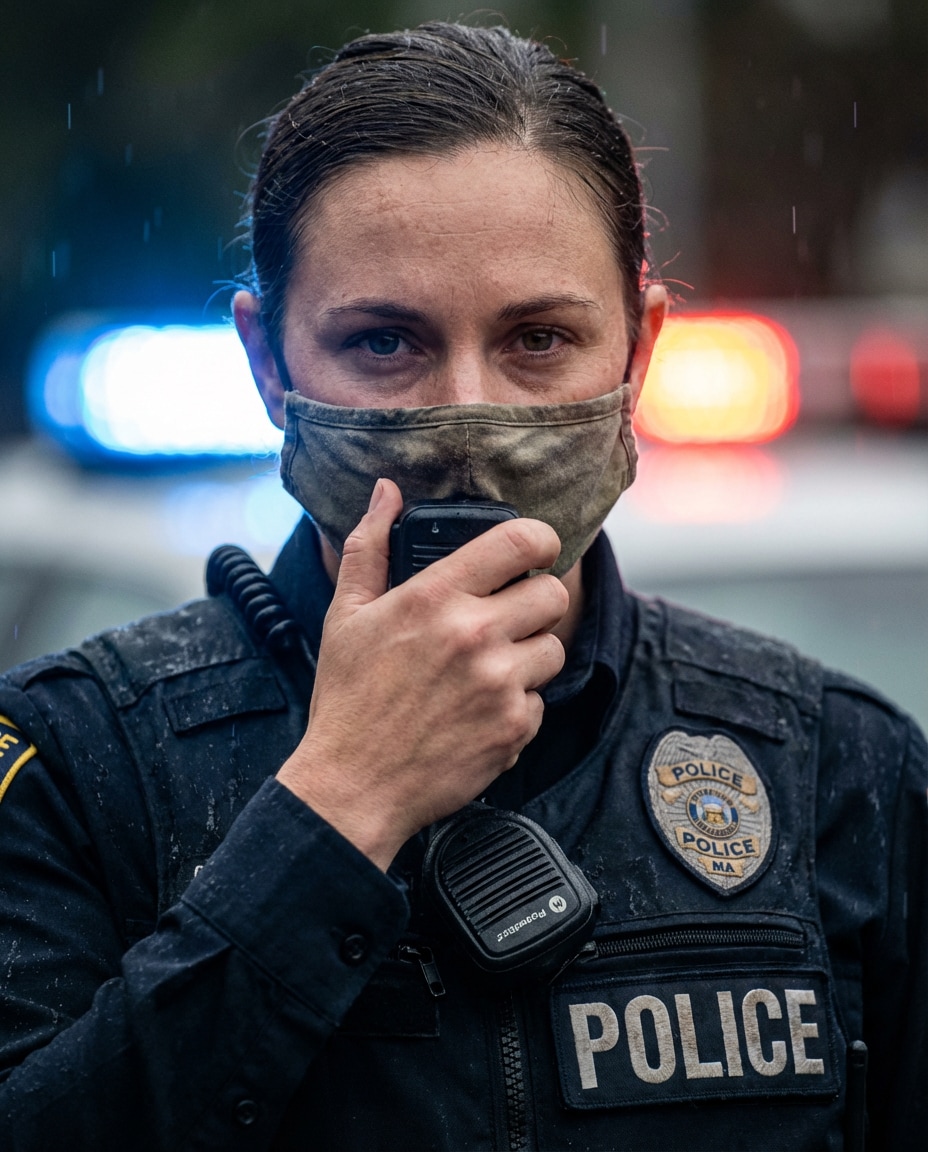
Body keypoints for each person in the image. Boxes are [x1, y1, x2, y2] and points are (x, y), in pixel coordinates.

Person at [0, 22, 923, 1152]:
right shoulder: (73, 764)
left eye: (538, 338)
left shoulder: (841, 768)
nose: (467, 424)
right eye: (386, 343)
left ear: (637, 351)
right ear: (268, 367)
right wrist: (337, 809)